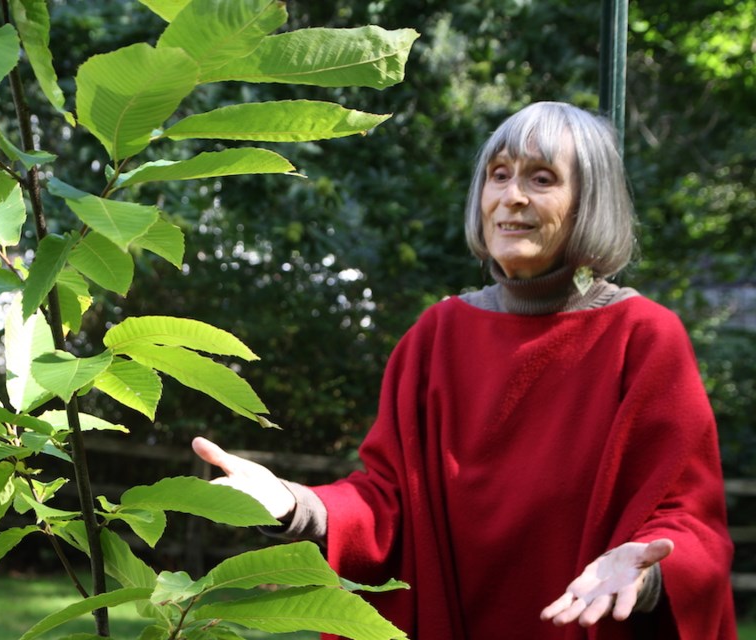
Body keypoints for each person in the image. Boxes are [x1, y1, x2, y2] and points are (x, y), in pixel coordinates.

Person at [192, 101, 737, 639]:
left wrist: (644, 574)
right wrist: (295, 504)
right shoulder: (436, 335)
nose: (511, 196)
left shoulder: (643, 337)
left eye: (542, 178)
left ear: (587, 204)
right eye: (498, 175)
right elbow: (387, 503)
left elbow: (690, 523)